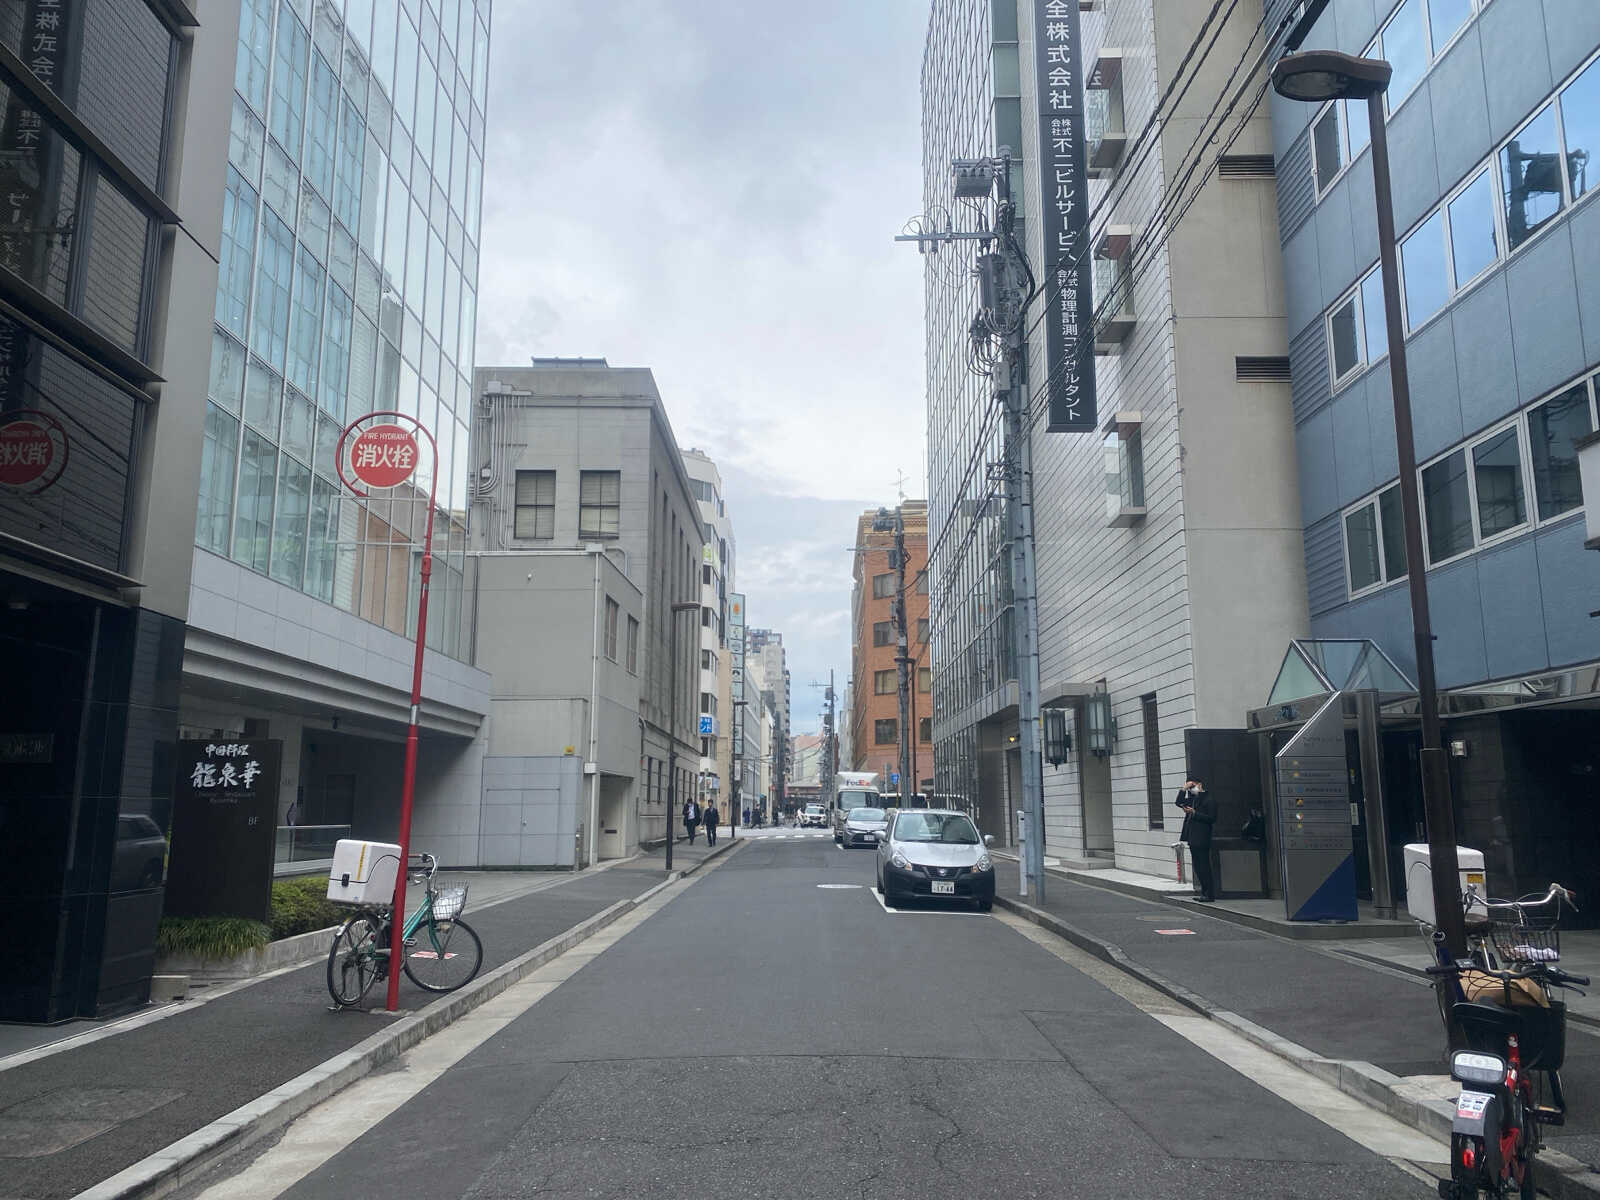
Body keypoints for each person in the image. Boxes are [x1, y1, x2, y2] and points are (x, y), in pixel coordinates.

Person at [1176, 778, 1217, 902]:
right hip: (1192, 837)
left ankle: (1209, 894)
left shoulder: (1209, 799)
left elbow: (1212, 818)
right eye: (1190, 787)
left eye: (1192, 786)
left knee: (1204, 866)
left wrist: (1194, 813)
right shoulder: (1194, 799)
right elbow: (1179, 802)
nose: (1191, 789)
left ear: (1200, 785)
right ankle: (1203, 892)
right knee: (1198, 867)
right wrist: (1184, 789)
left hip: (1202, 837)